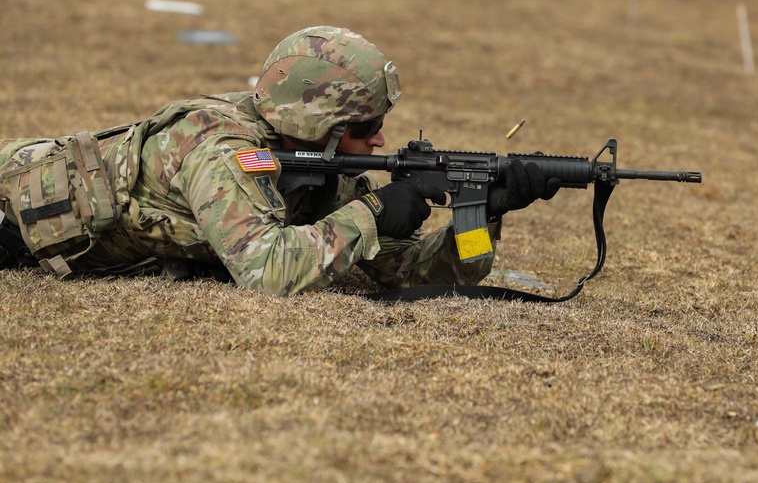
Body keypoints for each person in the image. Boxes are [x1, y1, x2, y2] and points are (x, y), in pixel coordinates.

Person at [0, 25, 558, 295]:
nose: (379, 139)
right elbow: (267, 274)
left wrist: (480, 219)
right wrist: (371, 213)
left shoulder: (311, 162)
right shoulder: (221, 149)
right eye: (364, 127)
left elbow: (395, 270)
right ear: (318, 124)